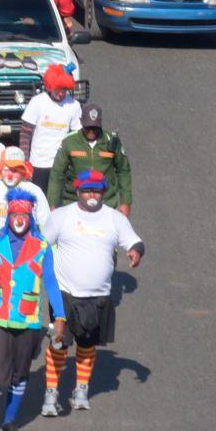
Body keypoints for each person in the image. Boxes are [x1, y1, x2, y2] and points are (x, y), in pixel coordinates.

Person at [39, 171, 142, 416]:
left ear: (103, 192)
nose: (92, 194)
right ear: (78, 192)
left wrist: (136, 252)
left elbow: (134, 241)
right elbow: (40, 245)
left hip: (98, 297)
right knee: (59, 343)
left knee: (87, 344)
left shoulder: (115, 219)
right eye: (87, 190)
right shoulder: (61, 216)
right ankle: (51, 392)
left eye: (96, 190)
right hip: (64, 295)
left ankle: (81, 389)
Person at [0, 189, 66, 431]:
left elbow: (50, 282)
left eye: (24, 215)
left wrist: (60, 316)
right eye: (15, 214)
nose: (19, 219)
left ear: (31, 218)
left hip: (28, 321)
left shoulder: (41, 246)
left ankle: (9, 420)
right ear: (8, 215)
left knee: (20, 374)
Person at [47, 104, 132, 213]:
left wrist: (126, 202)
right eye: (88, 127)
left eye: (95, 128)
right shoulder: (69, 142)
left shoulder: (112, 141)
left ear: (101, 123)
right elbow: (57, 173)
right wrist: (52, 204)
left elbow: (123, 170)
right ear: (81, 122)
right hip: (74, 202)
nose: (91, 131)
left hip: (106, 202)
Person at [19, 65, 83, 186]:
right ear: (50, 86)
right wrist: (25, 161)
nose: (61, 93)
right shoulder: (37, 101)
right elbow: (25, 134)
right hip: (37, 163)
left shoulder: (74, 105)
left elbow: (77, 136)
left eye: (64, 89)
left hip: (61, 164)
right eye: (57, 89)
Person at [0, 146, 48, 227]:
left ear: (23, 171)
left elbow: (46, 223)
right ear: (0, 170)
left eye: (15, 171)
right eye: (6, 170)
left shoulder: (35, 191)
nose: (10, 175)